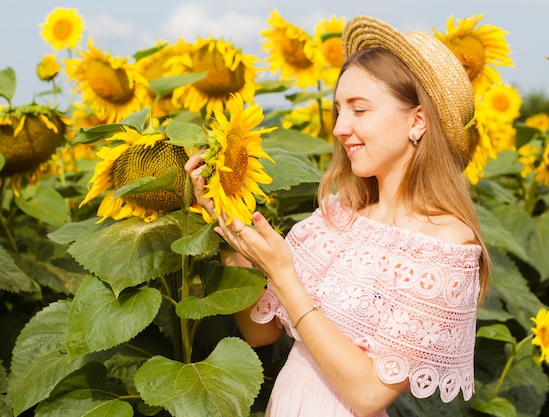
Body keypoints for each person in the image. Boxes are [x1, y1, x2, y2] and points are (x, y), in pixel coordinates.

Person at [185, 15, 490, 417]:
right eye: (338, 111)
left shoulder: (446, 246)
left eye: (359, 110)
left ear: (417, 120)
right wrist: (229, 223)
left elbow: (367, 395)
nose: (341, 128)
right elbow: (259, 331)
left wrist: (283, 273)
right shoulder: (339, 217)